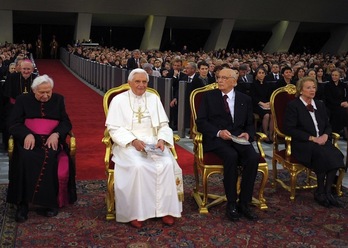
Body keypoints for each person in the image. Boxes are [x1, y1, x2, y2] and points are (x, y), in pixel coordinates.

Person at [105, 68, 183, 228]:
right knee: (138, 166)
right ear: (129, 83)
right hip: (128, 144)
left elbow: (163, 124)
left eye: (144, 82)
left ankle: (166, 210)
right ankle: (136, 212)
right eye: (137, 81)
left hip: (153, 142)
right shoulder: (118, 100)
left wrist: (162, 139)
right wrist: (133, 141)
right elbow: (114, 129)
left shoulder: (153, 98)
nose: (141, 85)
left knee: (167, 164)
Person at [7, 74, 77, 222]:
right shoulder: (22, 100)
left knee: (51, 158)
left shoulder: (58, 99)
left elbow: (66, 122)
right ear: (34, 90)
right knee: (25, 158)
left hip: (51, 139)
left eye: (48, 92)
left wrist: (57, 134)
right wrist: (26, 134)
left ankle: (48, 203)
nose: (45, 95)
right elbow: (13, 122)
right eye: (41, 92)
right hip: (29, 139)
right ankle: (22, 204)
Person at [196, 68, 260, 221]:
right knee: (231, 156)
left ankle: (244, 202)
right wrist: (218, 132)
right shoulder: (209, 97)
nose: (219, 80)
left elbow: (250, 124)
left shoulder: (245, 99)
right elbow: (201, 122)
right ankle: (231, 203)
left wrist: (248, 134)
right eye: (218, 77)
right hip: (217, 139)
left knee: (253, 157)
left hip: (238, 138)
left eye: (224, 78)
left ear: (234, 81)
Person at [283, 76, 345, 208]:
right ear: (300, 90)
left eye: (314, 87)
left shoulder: (320, 105)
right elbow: (289, 129)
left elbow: (328, 125)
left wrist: (325, 136)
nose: (312, 90)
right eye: (308, 87)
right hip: (303, 143)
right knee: (322, 156)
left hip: (321, 141)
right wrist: (312, 138)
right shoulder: (293, 106)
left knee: (337, 155)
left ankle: (328, 192)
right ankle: (320, 192)